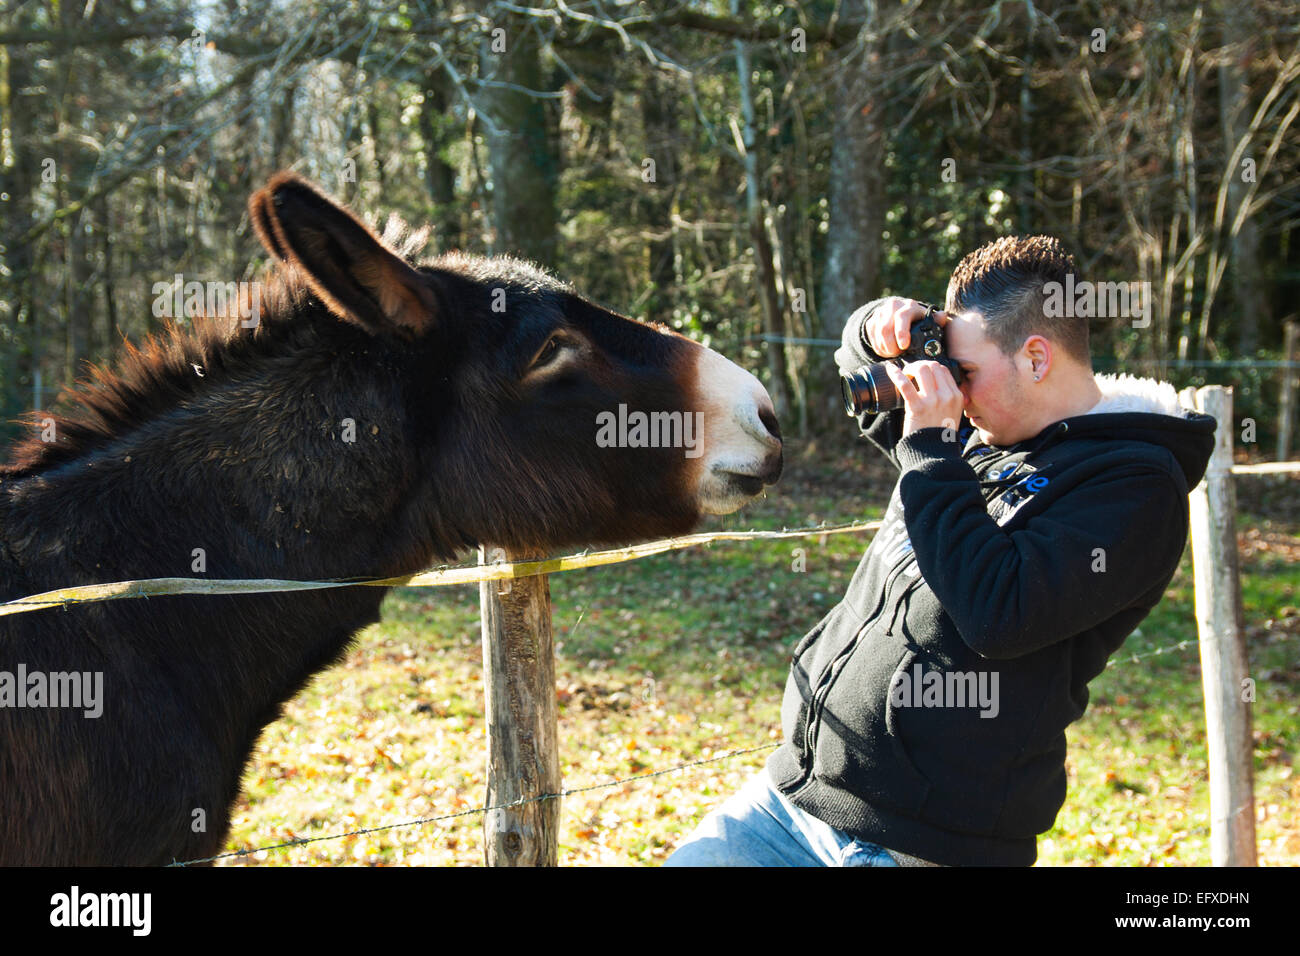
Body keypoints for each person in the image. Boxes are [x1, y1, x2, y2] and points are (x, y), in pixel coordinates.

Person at [665, 235, 1217, 867]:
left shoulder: (1135, 486)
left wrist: (931, 446)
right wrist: (877, 325)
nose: (954, 393)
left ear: (1037, 358)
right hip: (792, 798)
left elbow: (998, 612)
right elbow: (864, 378)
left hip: (919, 848)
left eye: (968, 373)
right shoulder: (987, 427)